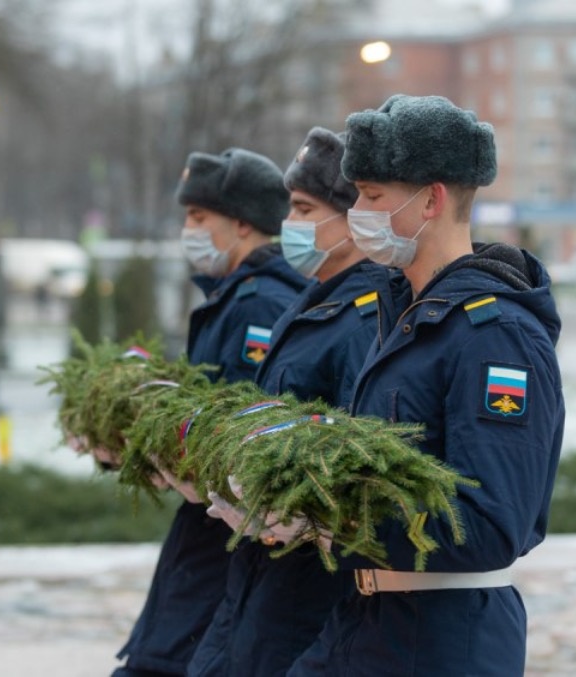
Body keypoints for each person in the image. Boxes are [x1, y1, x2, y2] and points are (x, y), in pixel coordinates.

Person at [288, 94, 565, 676]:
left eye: (373, 196)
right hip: (368, 622)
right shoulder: (403, 316)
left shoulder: (496, 336)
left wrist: (331, 511)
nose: (358, 211)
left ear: (432, 199)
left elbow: (489, 524)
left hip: (442, 640)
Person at [187, 127, 407, 676]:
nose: (291, 225)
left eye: (306, 209)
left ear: (352, 218)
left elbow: (354, 452)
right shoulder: (315, 303)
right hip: (264, 573)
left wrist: (299, 508)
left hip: (309, 585)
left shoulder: (364, 317)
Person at [113, 147, 306, 677]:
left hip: (222, 542)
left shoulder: (258, 304)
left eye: (199, 217)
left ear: (242, 224)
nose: (189, 230)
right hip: (207, 541)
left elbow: (234, 428)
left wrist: (165, 446)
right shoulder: (233, 296)